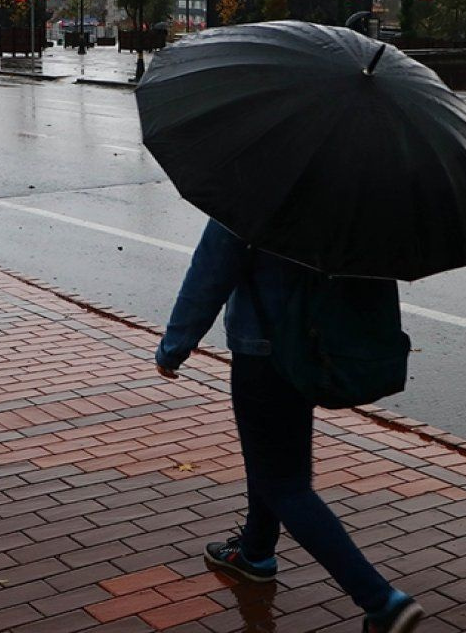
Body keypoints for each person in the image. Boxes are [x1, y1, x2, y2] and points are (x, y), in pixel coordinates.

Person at [155, 220, 424, 633]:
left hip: (263, 352)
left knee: (286, 483)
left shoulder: (256, 184)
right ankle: (255, 553)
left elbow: (212, 267)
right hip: (313, 348)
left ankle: (382, 601)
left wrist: (175, 344)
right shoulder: (349, 191)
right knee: (273, 461)